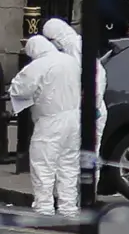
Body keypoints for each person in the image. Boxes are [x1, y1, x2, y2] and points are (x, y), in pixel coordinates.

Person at [9, 36, 81, 217]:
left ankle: (44, 207)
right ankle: (68, 207)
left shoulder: (40, 65)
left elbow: (19, 88)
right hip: (74, 118)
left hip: (50, 120)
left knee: (43, 164)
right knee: (69, 164)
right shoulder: (71, 61)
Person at [42, 18, 108, 186]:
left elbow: (96, 78)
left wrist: (92, 106)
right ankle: (78, 195)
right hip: (80, 110)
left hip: (90, 111)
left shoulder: (75, 48)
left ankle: (86, 195)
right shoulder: (71, 48)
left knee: (86, 155)